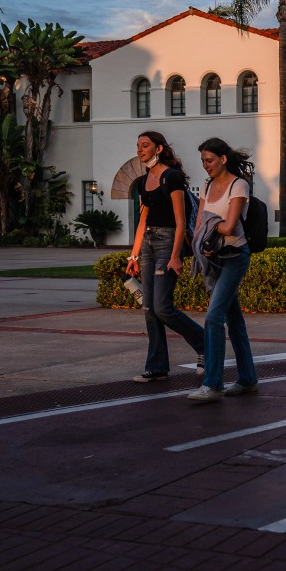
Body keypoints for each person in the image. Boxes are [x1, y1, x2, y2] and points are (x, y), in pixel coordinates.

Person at [125, 131, 205, 383]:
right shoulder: (142, 182)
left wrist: (175, 256)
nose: (140, 149)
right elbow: (143, 221)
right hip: (147, 243)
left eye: (145, 145)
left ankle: (206, 345)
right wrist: (134, 255)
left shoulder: (172, 177)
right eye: (138, 146)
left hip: (169, 241)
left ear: (159, 148)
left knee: (162, 307)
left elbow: (181, 221)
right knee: (149, 308)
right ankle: (157, 366)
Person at [187, 137, 259, 402]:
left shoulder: (238, 185)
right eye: (203, 161)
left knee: (213, 317)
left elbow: (229, 227)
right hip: (213, 256)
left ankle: (213, 384)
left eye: (209, 160)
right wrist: (203, 241)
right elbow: (198, 226)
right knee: (235, 321)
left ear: (223, 159)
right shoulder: (206, 185)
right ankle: (248, 379)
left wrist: (209, 226)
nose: (205, 166)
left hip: (235, 255)